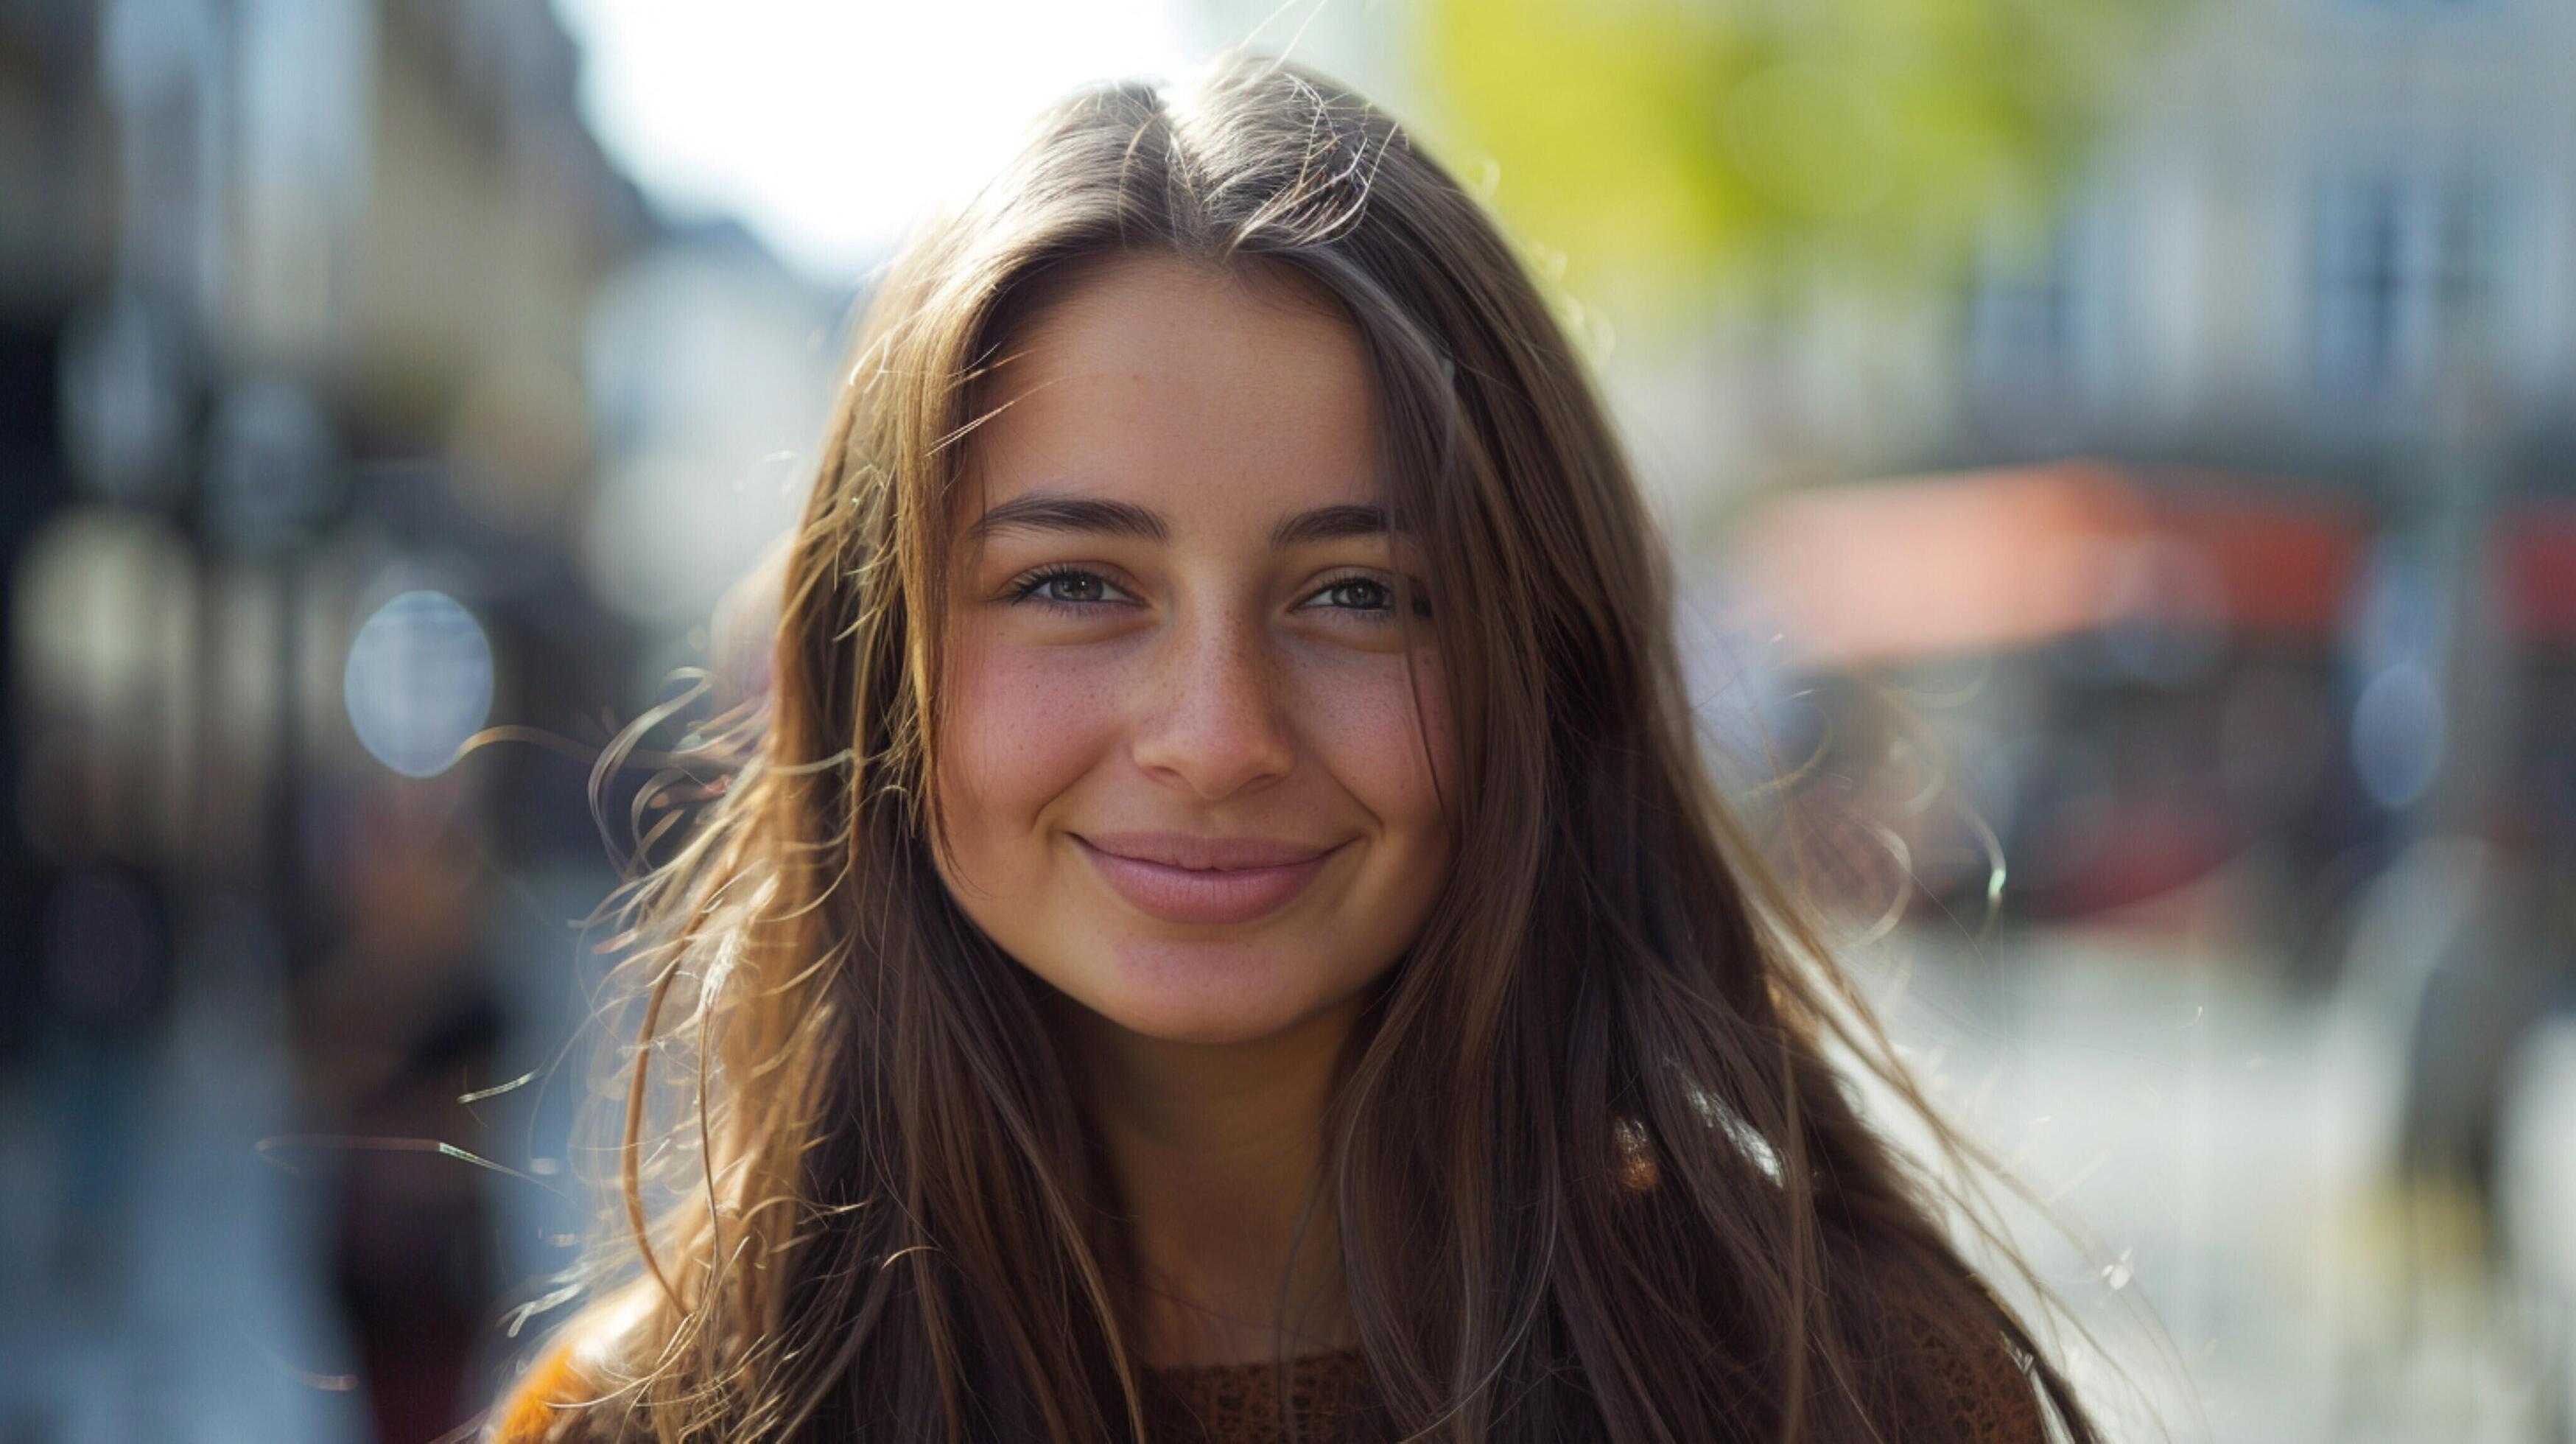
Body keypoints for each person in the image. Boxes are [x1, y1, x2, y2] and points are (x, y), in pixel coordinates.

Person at [487, 53, 2096, 1443]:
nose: (1216, 734)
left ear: (1543, 663)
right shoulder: (656, 1415)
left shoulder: (1856, 1390)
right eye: (1072, 583)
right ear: (874, 667)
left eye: (1360, 593)